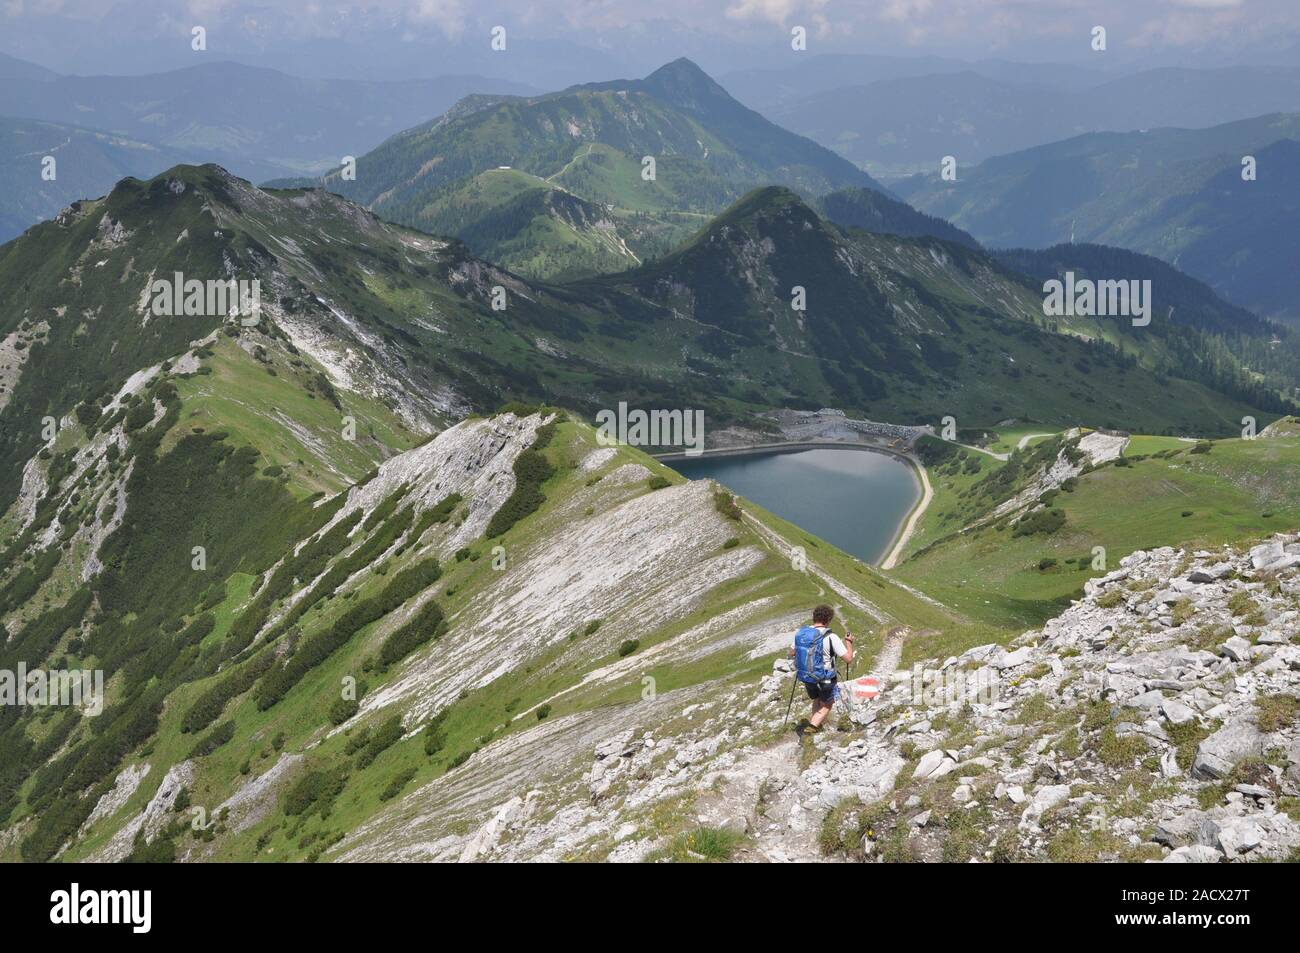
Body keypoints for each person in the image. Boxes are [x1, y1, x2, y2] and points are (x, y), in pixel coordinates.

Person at [790, 604, 853, 733]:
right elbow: (848, 659)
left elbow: (791, 652)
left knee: (817, 699)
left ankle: (817, 725)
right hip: (825, 678)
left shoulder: (802, 634)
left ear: (814, 617)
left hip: (807, 676)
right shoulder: (831, 637)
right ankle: (810, 730)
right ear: (828, 619)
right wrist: (849, 643)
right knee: (827, 705)